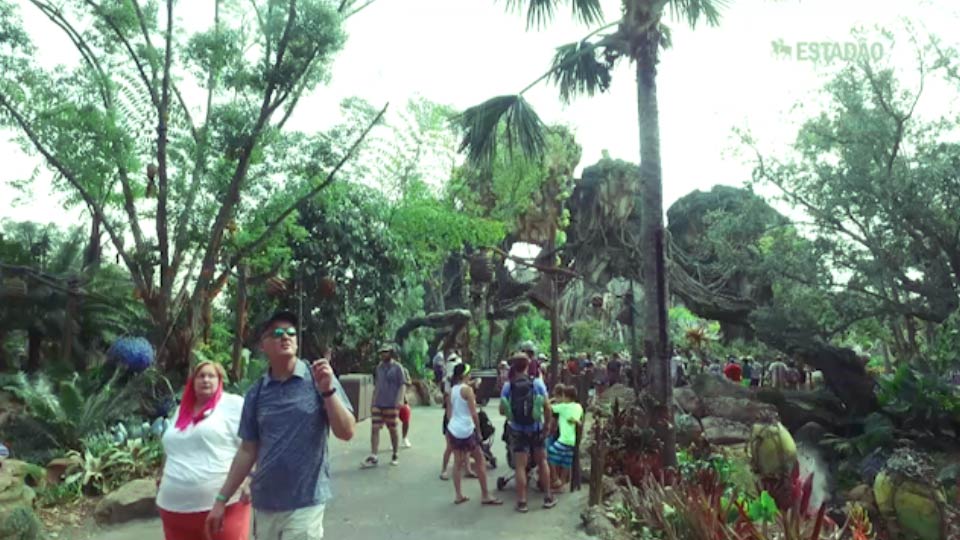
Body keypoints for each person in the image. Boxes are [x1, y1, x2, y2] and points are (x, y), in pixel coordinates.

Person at [206, 310, 355, 540]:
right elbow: (247, 450)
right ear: (263, 345)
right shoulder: (256, 392)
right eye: (277, 333)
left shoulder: (318, 378)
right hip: (265, 503)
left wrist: (328, 391)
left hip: (305, 502)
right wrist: (221, 499)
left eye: (291, 333)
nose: (285, 336)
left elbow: (346, 432)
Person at [157, 361, 249, 540]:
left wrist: (251, 479)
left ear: (220, 380)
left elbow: (253, 443)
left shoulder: (233, 404)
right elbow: (170, 447)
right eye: (201, 376)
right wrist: (162, 474)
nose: (206, 380)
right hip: (173, 511)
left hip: (222, 507)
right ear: (192, 382)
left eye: (211, 376)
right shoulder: (181, 410)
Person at [500, 353, 557, 513]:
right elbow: (547, 407)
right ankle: (547, 497)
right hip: (536, 429)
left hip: (517, 430)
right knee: (542, 461)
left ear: (513, 366)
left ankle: (522, 502)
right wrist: (547, 426)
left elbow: (502, 410)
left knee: (520, 466)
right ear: (528, 365)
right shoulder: (537, 383)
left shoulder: (508, 386)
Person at [446, 363, 504, 506]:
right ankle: (485, 494)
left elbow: (449, 413)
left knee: (457, 462)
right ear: (465, 375)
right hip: (467, 429)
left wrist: (452, 427)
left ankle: (458, 495)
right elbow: (474, 413)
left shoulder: (452, 390)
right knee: (480, 460)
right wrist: (478, 431)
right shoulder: (468, 390)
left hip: (454, 429)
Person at [363, 343, 409, 468]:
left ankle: (395, 453)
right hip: (379, 402)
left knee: (392, 429)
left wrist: (400, 399)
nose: (383, 355)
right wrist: (373, 401)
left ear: (391, 353)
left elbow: (403, 384)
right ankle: (374, 455)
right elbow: (377, 384)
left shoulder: (398, 368)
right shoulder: (379, 368)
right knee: (375, 428)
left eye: (386, 352)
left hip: (391, 403)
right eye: (382, 352)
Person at [548, 385, 583, 491]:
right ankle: (562, 484)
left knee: (548, 454)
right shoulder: (579, 407)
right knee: (566, 463)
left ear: (566, 396)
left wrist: (551, 400)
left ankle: (555, 479)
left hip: (563, 440)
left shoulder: (563, 407)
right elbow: (578, 420)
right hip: (572, 441)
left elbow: (547, 407)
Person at [398, 362, 413, 449]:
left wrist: (403, 382)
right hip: (391, 400)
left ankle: (404, 438)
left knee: (406, 419)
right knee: (393, 423)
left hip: (403, 399)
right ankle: (394, 441)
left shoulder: (404, 370)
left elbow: (409, 382)